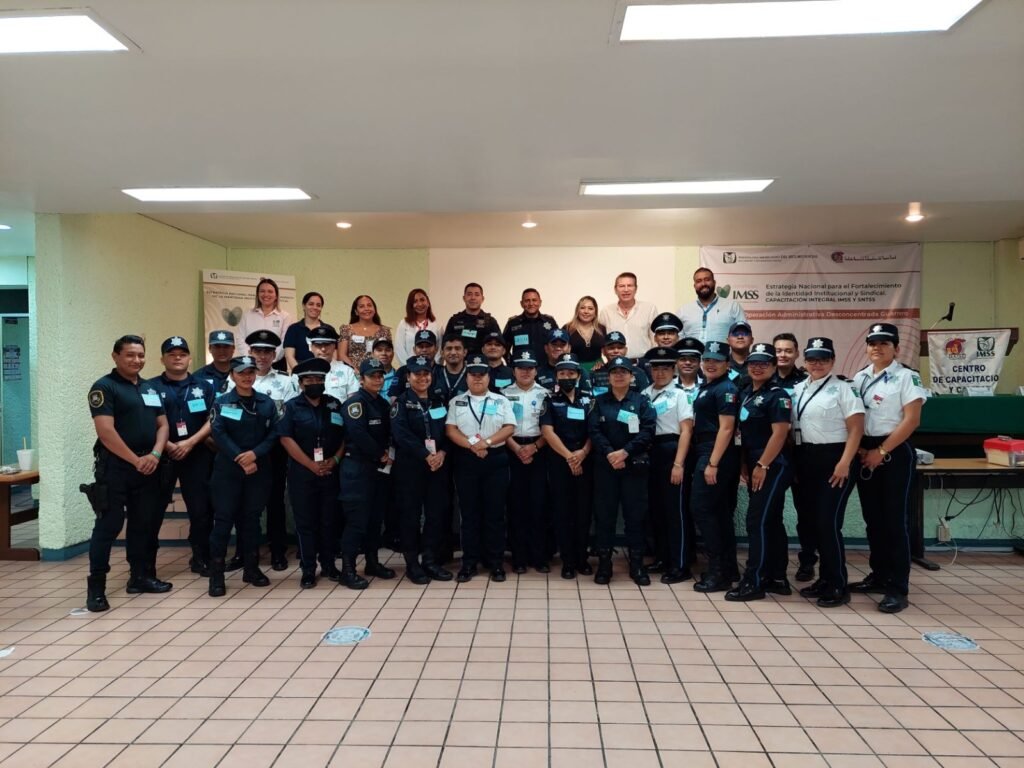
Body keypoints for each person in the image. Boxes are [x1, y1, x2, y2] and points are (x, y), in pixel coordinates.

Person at [84, 335, 171, 612]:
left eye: (140, 355)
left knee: (142, 524)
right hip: (116, 468)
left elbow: (163, 425)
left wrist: (155, 454)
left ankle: (140, 577)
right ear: (115, 356)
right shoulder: (104, 387)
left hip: (148, 466)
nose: (136, 360)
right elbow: (105, 432)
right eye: (130, 355)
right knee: (108, 526)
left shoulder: (149, 388)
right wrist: (136, 460)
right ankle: (96, 589)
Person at [851, 323, 927, 613]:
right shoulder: (860, 377)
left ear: (896, 348)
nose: (877, 348)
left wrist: (881, 451)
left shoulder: (907, 377)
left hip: (893, 450)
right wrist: (863, 450)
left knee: (895, 522)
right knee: (873, 519)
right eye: (873, 343)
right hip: (865, 450)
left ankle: (898, 588)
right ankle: (879, 575)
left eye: (884, 343)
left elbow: (912, 420)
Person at [792, 337, 865, 608]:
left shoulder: (845, 388)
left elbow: (856, 428)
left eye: (823, 359)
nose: (817, 364)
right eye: (812, 359)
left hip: (835, 460)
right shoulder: (798, 389)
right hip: (806, 459)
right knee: (812, 523)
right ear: (805, 361)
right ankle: (824, 579)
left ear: (833, 361)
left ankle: (837, 584)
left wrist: (845, 462)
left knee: (828, 523)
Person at [726, 343, 794, 602]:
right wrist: (746, 463)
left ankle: (753, 581)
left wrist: (762, 465)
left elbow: (780, 434)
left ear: (774, 367)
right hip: (754, 460)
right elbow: (744, 433)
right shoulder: (746, 393)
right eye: (753, 363)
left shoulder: (778, 395)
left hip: (773, 464)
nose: (757, 367)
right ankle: (777, 577)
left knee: (757, 521)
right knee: (771, 520)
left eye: (764, 363)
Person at [207, 356, 279, 597]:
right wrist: (241, 458)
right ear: (232, 375)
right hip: (228, 471)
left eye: (250, 372)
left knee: (252, 521)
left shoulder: (266, 403)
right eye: (241, 373)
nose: (247, 377)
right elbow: (218, 433)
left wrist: (254, 455)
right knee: (223, 522)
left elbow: (274, 434)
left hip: (258, 469)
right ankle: (216, 576)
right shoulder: (222, 402)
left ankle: (251, 569)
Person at [149, 336, 217, 577]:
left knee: (201, 511)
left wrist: (190, 442)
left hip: (196, 453)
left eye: (182, 354)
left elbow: (213, 419)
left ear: (189, 358)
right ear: (162, 359)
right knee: (153, 510)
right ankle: (146, 566)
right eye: (172, 354)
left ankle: (201, 558)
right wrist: (167, 445)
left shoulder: (204, 386)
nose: (177, 358)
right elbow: (146, 421)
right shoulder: (150, 387)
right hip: (162, 456)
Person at [445, 355, 517, 582]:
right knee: (469, 514)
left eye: (481, 374)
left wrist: (486, 443)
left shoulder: (501, 400)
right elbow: (451, 430)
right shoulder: (456, 401)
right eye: (473, 374)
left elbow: (509, 427)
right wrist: (472, 446)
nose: (477, 378)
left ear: (488, 377)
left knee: (495, 514)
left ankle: (496, 563)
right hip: (466, 460)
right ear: (467, 377)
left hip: (495, 459)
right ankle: (469, 563)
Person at [587, 356, 657, 586]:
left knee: (635, 517)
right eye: (614, 372)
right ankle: (604, 566)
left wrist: (625, 452)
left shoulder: (642, 401)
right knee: (604, 517)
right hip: (605, 468)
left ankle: (637, 566)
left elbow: (648, 431)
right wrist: (610, 453)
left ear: (631, 376)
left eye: (623, 372)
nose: (619, 376)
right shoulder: (598, 402)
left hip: (633, 467)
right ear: (608, 377)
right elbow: (594, 431)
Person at [276, 358, 345, 589]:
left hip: (330, 471)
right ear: (301, 383)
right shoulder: (291, 407)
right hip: (302, 473)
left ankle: (329, 564)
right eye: (309, 379)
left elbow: (344, 437)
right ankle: (308, 569)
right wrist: (310, 464)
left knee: (329, 521)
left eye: (319, 379)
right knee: (306, 523)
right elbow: (285, 438)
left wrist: (334, 460)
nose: (314, 382)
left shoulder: (334, 404)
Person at [390, 355, 454, 584]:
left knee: (436, 514)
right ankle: (412, 564)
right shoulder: (401, 403)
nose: (422, 377)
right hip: (411, 467)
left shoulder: (439, 400)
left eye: (426, 373)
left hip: (438, 466)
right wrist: (426, 455)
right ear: (408, 377)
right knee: (410, 515)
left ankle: (430, 560)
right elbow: (401, 435)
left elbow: (450, 430)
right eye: (417, 373)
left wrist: (442, 453)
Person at [238, 330, 298, 570]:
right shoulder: (235, 379)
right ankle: (245, 552)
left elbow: (286, 419)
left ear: (275, 355)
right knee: (245, 503)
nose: (262, 356)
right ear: (250, 352)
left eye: (267, 352)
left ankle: (277, 550)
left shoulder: (286, 382)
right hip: (243, 452)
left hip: (274, 450)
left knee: (275, 501)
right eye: (257, 351)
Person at [339, 358, 396, 588]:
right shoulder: (355, 404)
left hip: (379, 471)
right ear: (361, 379)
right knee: (357, 521)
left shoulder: (382, 404)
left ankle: (372, 562)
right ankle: (348, 570)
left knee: (374, 519)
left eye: (380, 375)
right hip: (357, 469)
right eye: (372, 376)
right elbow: (358, 433)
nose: (378, 380)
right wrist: (381, 454)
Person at [690, 340, 742, 593]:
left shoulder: (726, 389)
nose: (711, 364)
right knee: (719, 513)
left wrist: (713, 463)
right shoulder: (709, 386)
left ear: (727, 364)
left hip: (714, 452)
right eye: (707, 360)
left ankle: (717, 572)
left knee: (702, 509)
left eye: (717, 360)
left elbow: (727, 428)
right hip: (706, 449)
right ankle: (728, 568)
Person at [642, 347, 694, 584]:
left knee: (676, 512)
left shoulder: (680, 395)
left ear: (673, 370)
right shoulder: (644, 393)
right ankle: (662, 558)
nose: (660, 372)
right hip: (650, 453)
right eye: (655, 368)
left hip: (672, 451)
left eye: (665, 368)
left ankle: (681, 564)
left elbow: (687, 430)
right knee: (657, 510)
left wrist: (679, 464)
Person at [540, 353, 594, 578]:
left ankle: (582, 558)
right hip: (560, 461)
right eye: (562, 373)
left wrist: (582, 454)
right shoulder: (550, 400)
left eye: (571, 373)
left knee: (583, 512)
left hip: (586, 460)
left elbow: (594, 431)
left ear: (579, 375)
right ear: (556, 376)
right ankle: (568, 561)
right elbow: (547, 431)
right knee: (562, 512)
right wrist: (570, 457)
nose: (567, 377)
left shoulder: (589, 399)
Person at [502, 349, 551, 573]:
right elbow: (499, 426)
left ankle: (539, 556)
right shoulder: (503, 394)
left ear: (536, 371)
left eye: (529, 368)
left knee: (539, 505)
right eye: (521, 368)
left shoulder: (546, 394)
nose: (525, 372)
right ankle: (519, 557)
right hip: (511, 449)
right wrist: (517, 448)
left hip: (539, 450)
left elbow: (551, 428)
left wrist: (534, 447)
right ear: (513, 370)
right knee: (516, 505)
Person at [771, 332, 814, 581]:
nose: (783, 355)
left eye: (788, 350)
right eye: (778, 350)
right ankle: (774, 563)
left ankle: (807, 561)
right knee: (772, 511)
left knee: (805, 512)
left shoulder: (807, 380)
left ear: (797, 353)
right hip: (772, 454)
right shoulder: (764, 378)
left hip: (800, 453)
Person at [677, 267, 748, 344]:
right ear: (694, 286)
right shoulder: (683, 311)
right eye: (699, 281)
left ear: (714, 282)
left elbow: (744, 335)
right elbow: (678, 340)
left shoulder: (732, 306)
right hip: (692, 352)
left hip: (724, 352)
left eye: (707, 280)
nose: (703, 284)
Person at [598, 272, 659, 356]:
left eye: (630, 285)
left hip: (642, 361)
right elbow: (601, 341)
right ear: (615, 290)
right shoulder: (606, 311)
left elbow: (655, 339)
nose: (626, 290)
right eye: (621, 286)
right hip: (615, 362)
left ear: (636, 289)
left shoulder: (649, 309)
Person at [238, 277, 291, 361]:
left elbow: (284, 342)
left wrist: (271, 359)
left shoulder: (285, 316)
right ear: (257, 294)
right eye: (262, 291)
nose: (266, 294)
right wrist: (251, 358)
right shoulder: (247, 314)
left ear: (276, 296)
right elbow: (240, 339)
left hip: (276, 362)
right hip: (251, 362)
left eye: (270, 291)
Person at [444, 282, 502, 356]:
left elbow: (499, 345)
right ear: (464, 298)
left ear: (482, 299)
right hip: (459, 362)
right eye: (469, 294)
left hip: (483, 362)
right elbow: (445, 345)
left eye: (477, 295)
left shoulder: (490, 321)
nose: (473, 298)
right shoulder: (454, 320)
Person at [503, 288, 559, 362]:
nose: (531, 304)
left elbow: (558, 345)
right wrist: (511, 363)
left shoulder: (550, 322)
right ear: (521, 303)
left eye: (534, 300)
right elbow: (503, 349)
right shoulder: (513, 323)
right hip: (521, 368)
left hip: (545, 367)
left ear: (540, 302)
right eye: (527, 301)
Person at [338, 294, 392, 370]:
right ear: (356, 311)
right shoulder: (347, 329)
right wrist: (355, 371)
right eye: (361, 306)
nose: (366, 309)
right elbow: (341, 355)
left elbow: (388, 354)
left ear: (375, 309)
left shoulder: (384, 330)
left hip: (378, 372)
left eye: (369, 305)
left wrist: (377, 372)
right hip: (352, 373)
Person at [283, 291, 334, 371]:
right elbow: (289, 356)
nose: (315, 307)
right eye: (311, 304)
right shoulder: (293, 329)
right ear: (304, 306)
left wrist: (329, 372)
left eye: (318, 305)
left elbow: (334, 355)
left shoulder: (328, 329)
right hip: (301, 372)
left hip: (325, 372)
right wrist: (300, 373)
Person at [308, 326, 361, 402]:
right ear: (311, 347)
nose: (323, 349)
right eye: (318, 345)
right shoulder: (302, 373)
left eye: (327, 345)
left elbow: (353, 401)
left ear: (334, 347)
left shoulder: (347, 371)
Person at [394, 288, 442, 364]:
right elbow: (399, 349)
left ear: (428, 302)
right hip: (409, 368)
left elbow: (440, 349)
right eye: (415, 301)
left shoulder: (437, 324)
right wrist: (409, 367)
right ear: (411, 305)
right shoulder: (404, 324)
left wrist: (433, 366)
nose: (419, 304)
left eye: (422, 300)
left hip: (432, 368)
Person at [389, 329, 440, 399]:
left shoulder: (442, 371)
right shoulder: (403, 371)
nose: (424, 350)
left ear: (436, 349)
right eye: (420, 346)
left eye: (428, 346)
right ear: (414, 349)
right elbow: (393, 398)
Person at [564, 296, 607, 371]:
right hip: (574, 370)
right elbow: (561, 352)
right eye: (582, 308)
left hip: (598, 369)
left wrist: (602, 364)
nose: (586, 311)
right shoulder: (567, 328)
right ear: (577, 310)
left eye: (590, 308)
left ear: (595, 311)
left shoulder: (601, 328)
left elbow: (607, 350)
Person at [433, 334, 470, 402]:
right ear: (442, 353)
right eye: (449, 349)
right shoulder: (434, 374)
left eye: (457, 348)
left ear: (465, 352)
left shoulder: (472, 375)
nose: (453, 352)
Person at [674, 337, 706, 404]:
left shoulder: (707, 385)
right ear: (676, 362)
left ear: (699, 363)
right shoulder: (669, 386)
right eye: (683, 359)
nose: (688, 363)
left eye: (693, 359)